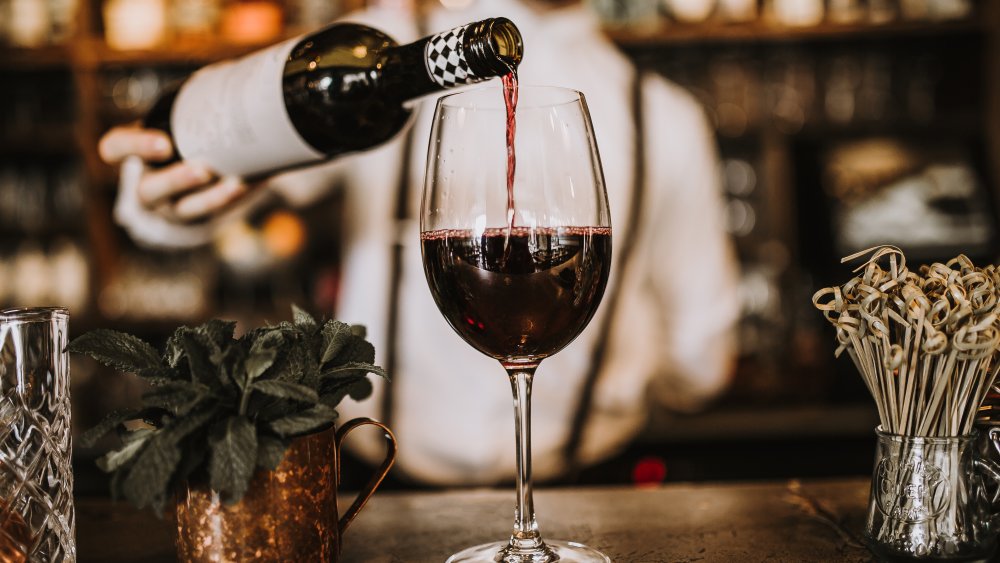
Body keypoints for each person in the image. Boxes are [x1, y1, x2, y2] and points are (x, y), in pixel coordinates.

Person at [98, 0, 741, 486]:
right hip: (403, 490)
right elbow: (700, 360)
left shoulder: (665, 116)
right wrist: (166, 190)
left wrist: (157, 203)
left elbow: (162, 213)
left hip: (470, 489)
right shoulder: (395, 60)